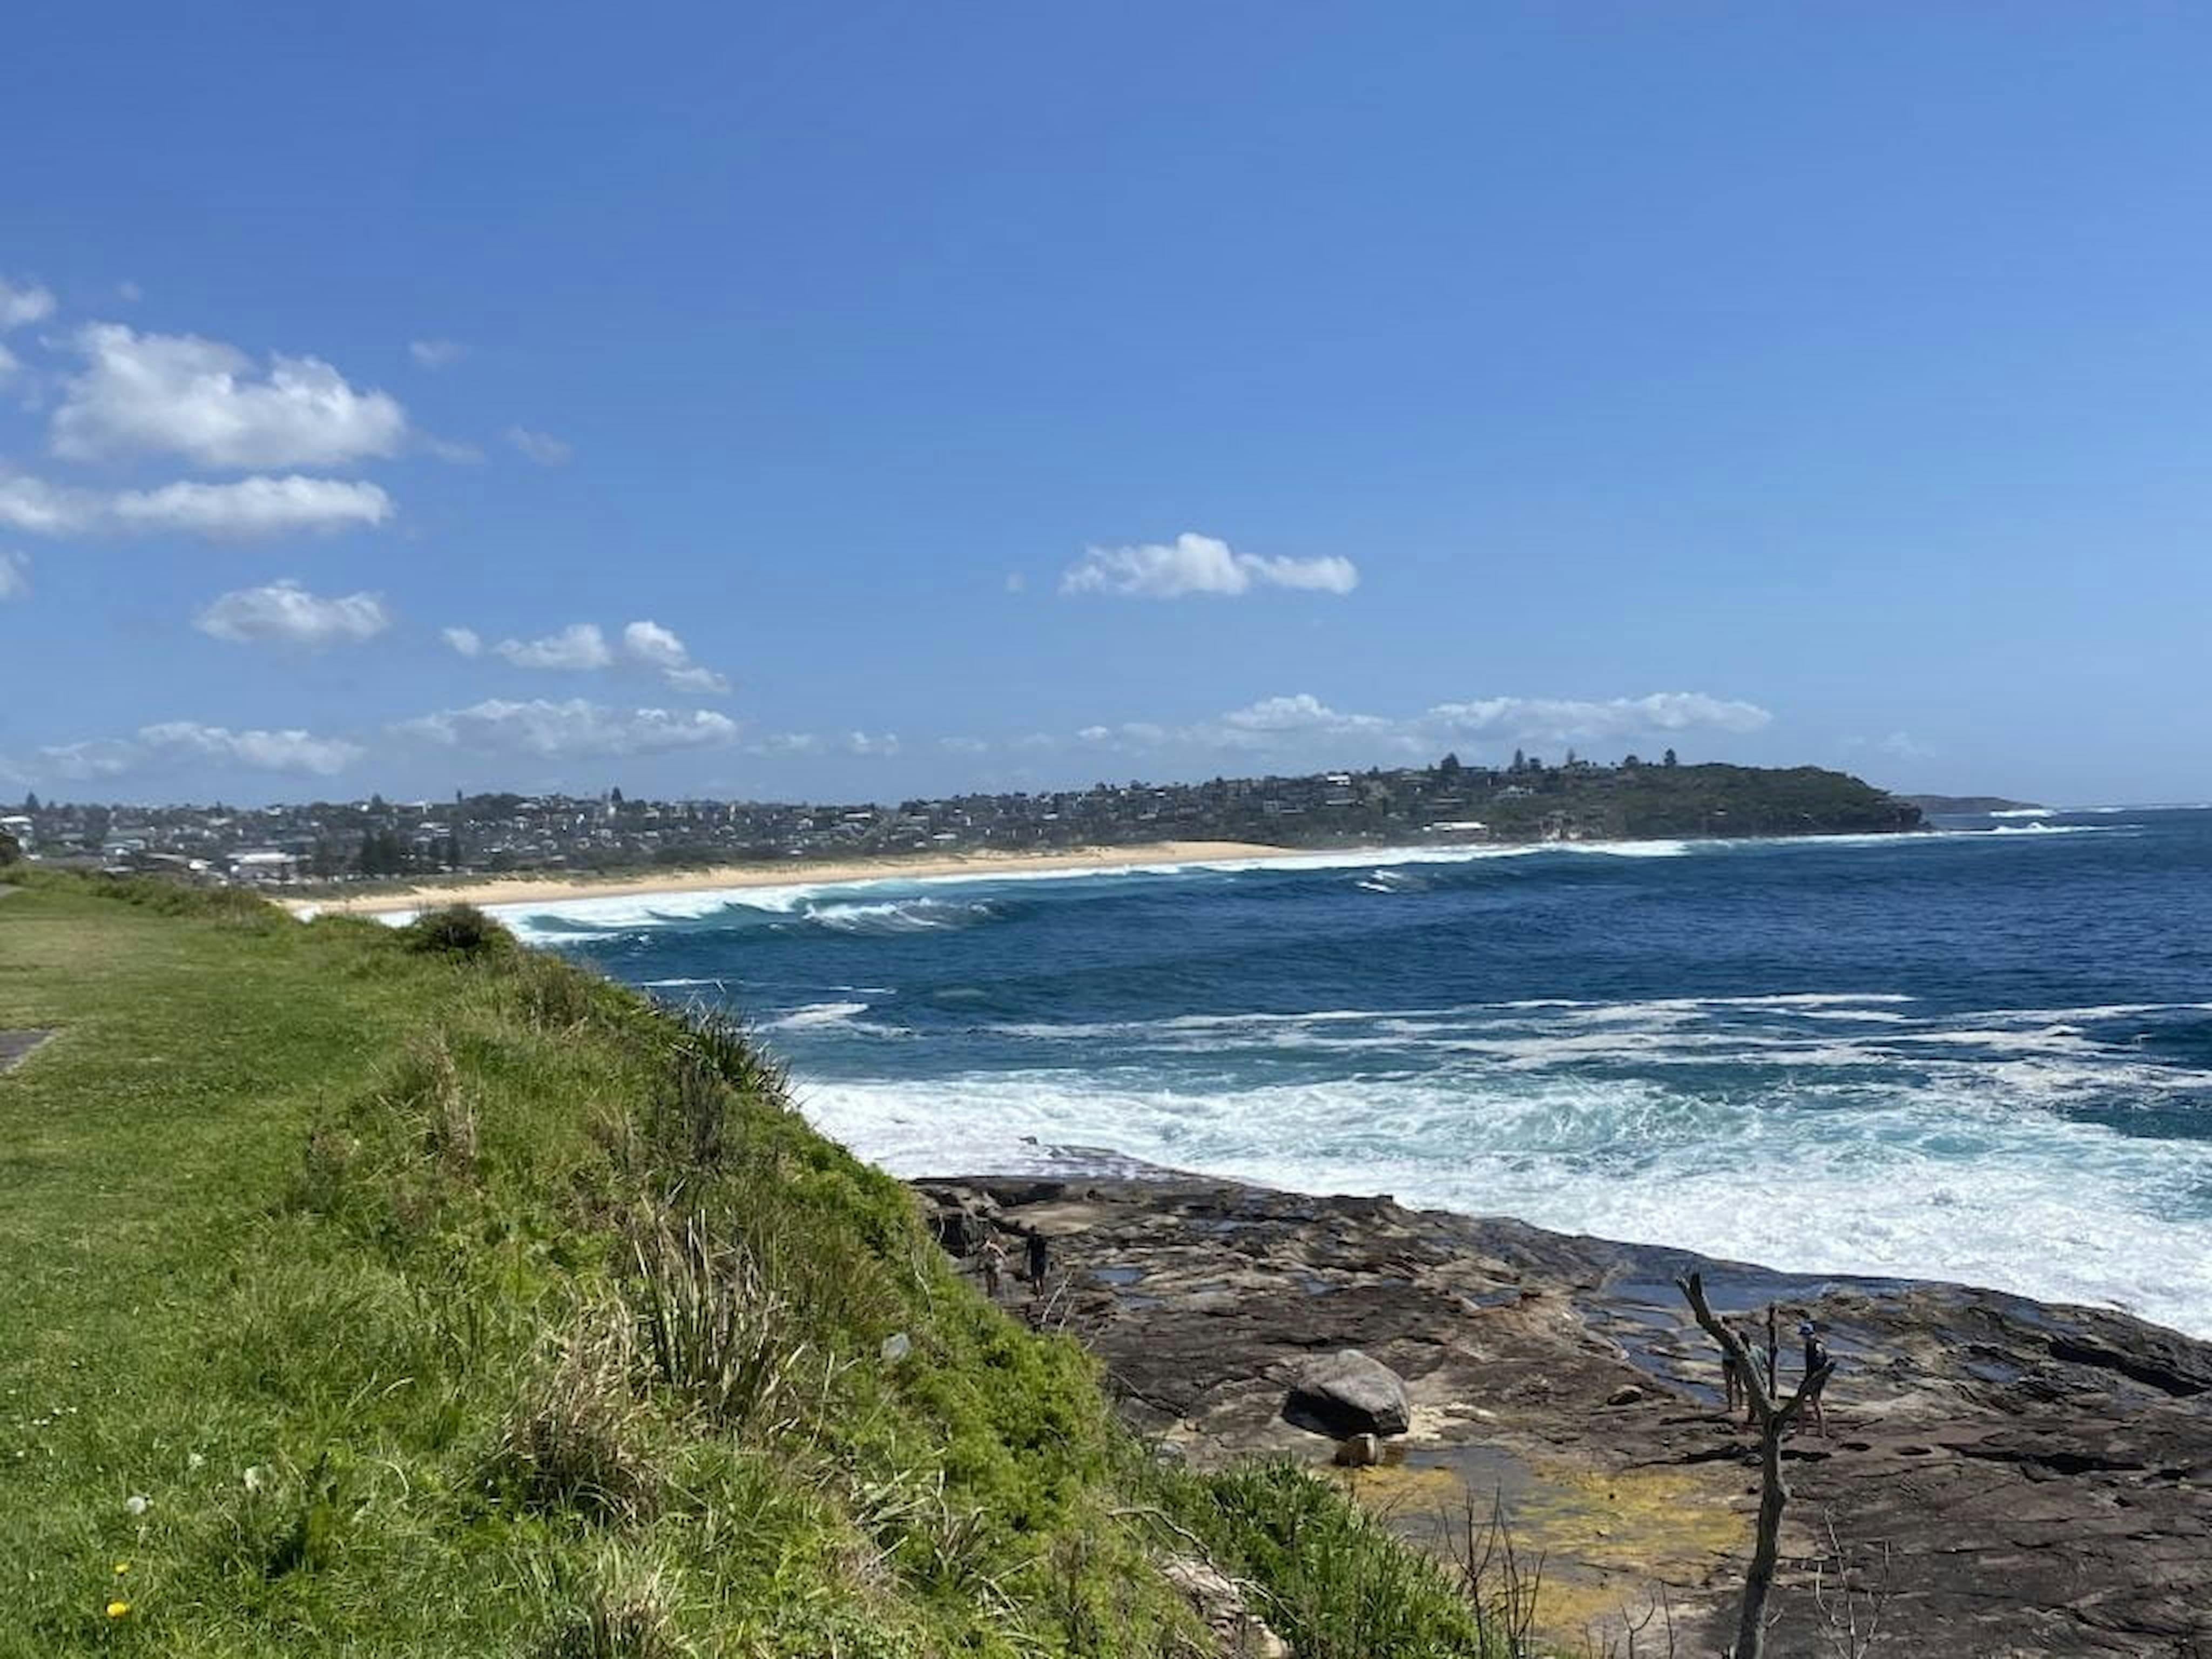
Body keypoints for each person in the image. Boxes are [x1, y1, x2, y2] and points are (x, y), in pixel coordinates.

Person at [1800, 1320, 1832, 1437]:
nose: (1804, 1338)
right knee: (1801, 1400)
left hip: (1816, 1377)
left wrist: (1815, 1378)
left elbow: (1820, 1363)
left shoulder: (1816, 1346)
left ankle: (1821, 1430)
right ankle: (1803, 1428)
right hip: (1811, 1376)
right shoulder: (1810, 1345)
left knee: (1816, 1402)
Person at [980, 1236, 1006, 1301]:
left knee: (995, 1279)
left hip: (994, 1264)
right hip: (989, 1265)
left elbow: (1002, 1254)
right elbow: (980, 1258)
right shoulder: (984, 1249)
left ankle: (994, 1294)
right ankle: (991, 1295)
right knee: (990, 1281)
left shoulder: (993, 1247)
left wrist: (1003, 1260)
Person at [1026, 1228, 1050, 1296]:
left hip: (1035, 1261)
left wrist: (1025, 1260)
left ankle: (1038, 1293)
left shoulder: (1031, 1240)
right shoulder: (1042, 1239)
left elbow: (1027, 1251)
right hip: (1042, 1260)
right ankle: (1042, 1293)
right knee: (1042, 1277)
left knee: (1036, 1278)